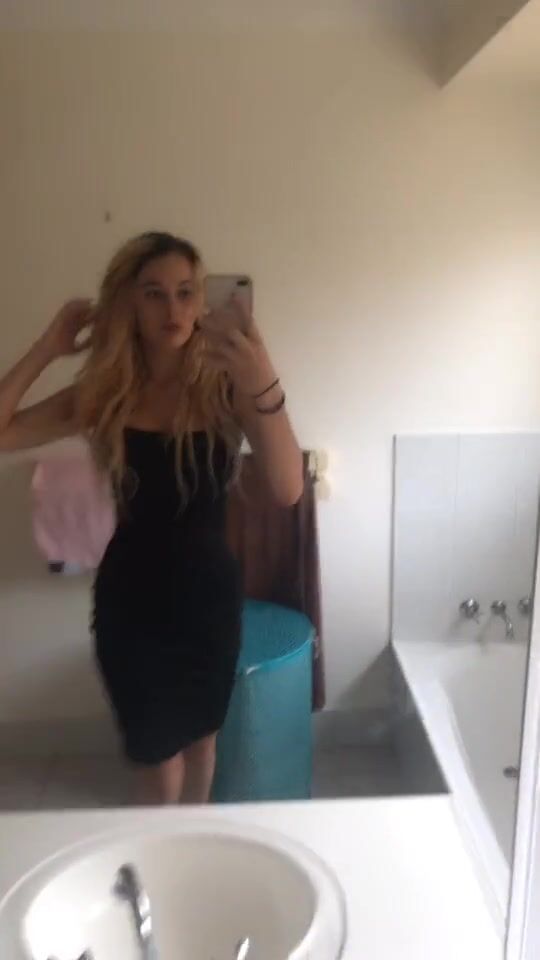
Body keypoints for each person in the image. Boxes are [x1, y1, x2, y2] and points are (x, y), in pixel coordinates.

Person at [0, 231, 303, 805]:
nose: (173, 309)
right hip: (132, 604)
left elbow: (287, 488)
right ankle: (158, 855)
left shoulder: (226, 387)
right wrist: (47, 347)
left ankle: (190, 848)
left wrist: (262, 376)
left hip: (208, 602)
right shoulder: (106, 392)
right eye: (154, 293)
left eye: (186, 292)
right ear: (130, 304)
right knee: (154, 759)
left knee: (203, 746)